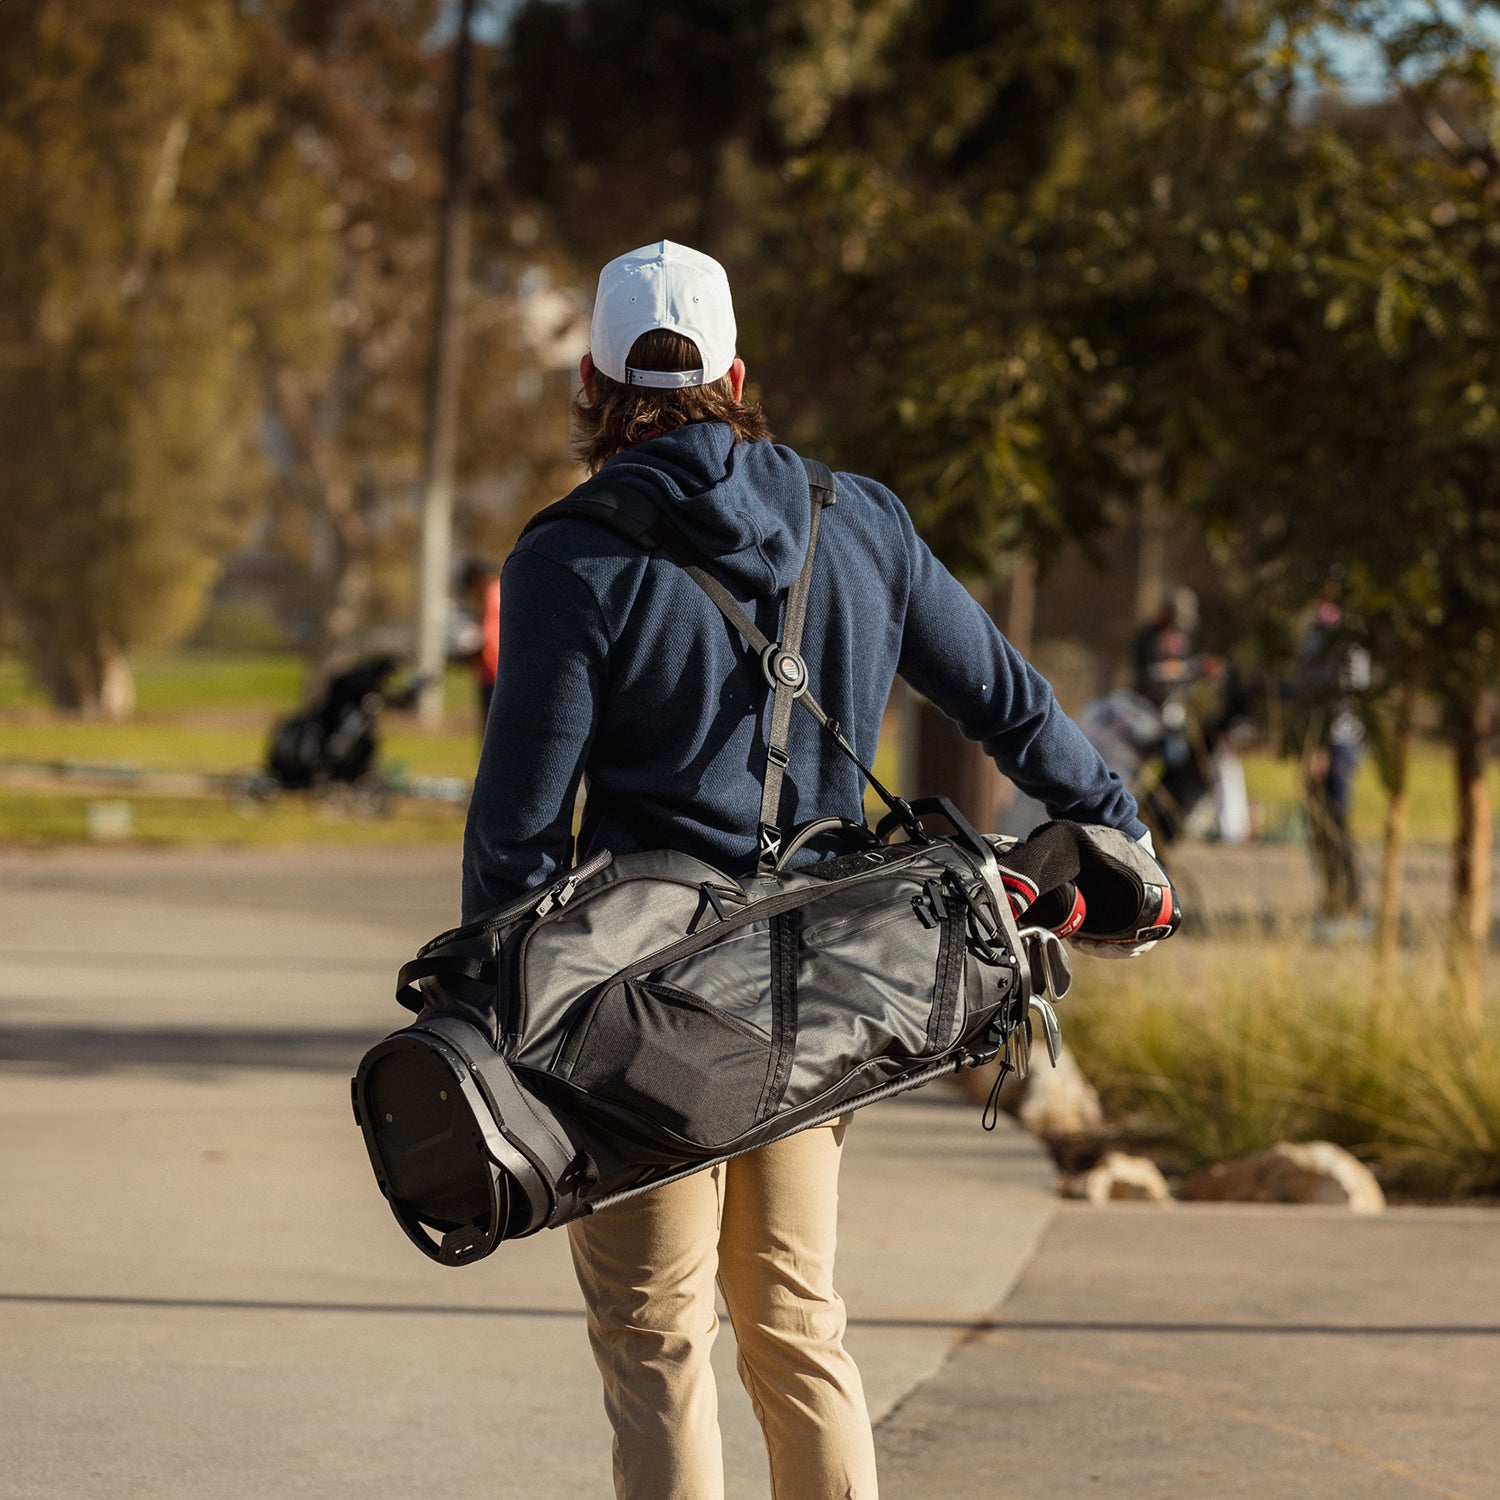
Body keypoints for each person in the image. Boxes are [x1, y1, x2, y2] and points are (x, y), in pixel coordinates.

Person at [461, 239, 1149, 1500]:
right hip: (822, 996)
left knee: (658, 1337)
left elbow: (516, 833)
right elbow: (1008, 700)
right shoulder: (858, 521)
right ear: (736, 370)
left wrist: (496, 1026)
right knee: (796, 1325)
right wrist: (1120, 832)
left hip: (638, 1015)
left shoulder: (569, 560)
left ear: (589, 379)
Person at [1294, 574, 1371, 931]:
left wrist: (1322, 745)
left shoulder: (1343, 636)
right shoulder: (1318, 629)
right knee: (1319, 824)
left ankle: (1349, 904)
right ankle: (1334, 899)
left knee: (1335, 823)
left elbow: (1341, 692)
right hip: (1317, 740)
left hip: (1336, 742)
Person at [459, 557, 501, 727]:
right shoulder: (500, 590)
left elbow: (488, 637)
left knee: (493, 728)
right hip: (494, 671)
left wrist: (470, 652)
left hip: (495, 672)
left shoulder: (492, 594)